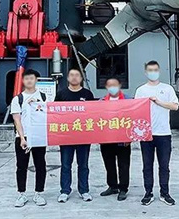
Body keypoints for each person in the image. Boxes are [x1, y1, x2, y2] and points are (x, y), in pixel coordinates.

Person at [134, 61, 179, 206]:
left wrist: (158, 102)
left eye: (155, 70)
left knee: (164, 166)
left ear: (159, 71)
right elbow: (135, 110)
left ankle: (165, 193)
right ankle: (148, 193)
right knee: (147, 166)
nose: (152, 72)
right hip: (146, 134)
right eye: (150, 70)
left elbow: (175, 106)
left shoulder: (167, 89)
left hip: (163, 133)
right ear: (146, 72)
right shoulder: (141, 90)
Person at [55, 68, 96, 203]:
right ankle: (65, 191)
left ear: (81, 78)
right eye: (71, 75)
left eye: (77, 75)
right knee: (66, 165)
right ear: (67, 78)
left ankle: (84, 190)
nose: (74, 77)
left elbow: (93, 114)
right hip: (66, 136)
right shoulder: (61, 94)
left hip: (83, 136)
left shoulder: (87, 94)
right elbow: (54, 114)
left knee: (83, 165)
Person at [11, 69, 47, 207]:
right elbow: (17, 120)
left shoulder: (44, 97)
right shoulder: (18, 99)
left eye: (32, 78)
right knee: (21, 166)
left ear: (36, 80)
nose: (29, 81)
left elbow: (49, 113)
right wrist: (22, 138)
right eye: (26, 78)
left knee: (40, 165)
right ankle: (22, 194)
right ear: (23, 81)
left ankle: (39, 193)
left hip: (38, 136)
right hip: (23, 137)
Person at [98, 77, 131, 201]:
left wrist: (129, 138)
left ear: (120, 85)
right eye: (110, 85)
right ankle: (112, 186)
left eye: (115, 85)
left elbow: (133, 118)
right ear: (106, 87)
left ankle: (123, 188)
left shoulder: (128, 100)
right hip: (106, 139)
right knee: (109, 164)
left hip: (123, 140)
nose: (113, 87)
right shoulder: (101, 101)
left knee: (123, 165)